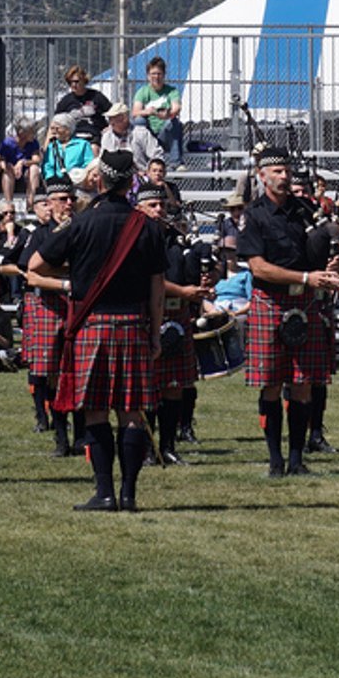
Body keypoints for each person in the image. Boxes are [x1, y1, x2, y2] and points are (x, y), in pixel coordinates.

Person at [31, 151, 166, 511]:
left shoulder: (80, 224)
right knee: (131, 412)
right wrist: (154, 334)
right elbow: (157, 290)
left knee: (93, 409)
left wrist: (71, 284)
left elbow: (34, 266)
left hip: (93, 325)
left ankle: (104, 493)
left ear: (99, 181)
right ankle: (130, 495)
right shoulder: (148, 226)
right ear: (130, 183)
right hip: (135, 324)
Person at [238, 144, 339, 478]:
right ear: (263, 176)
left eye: (286, 171)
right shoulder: (253, 215)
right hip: (271, 301)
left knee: (302, 383)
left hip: (306, 301)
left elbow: (328, 247)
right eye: (277, 172)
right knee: (270, 383)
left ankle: (297, 459)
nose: (284, 177)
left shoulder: (305, 210)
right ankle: (275, 460)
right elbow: (258, 268)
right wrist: (306, 276)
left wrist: (335, 262)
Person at [143, 181, 204, 467]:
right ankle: (147, 448)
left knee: (174, 385)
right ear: (139, 208)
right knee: (149, 385)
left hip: (178, 315)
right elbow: (149, 279)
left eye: (162, 205)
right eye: (152, 205)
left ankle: (168, 446)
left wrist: (205, 278)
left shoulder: (176, 240)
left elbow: (189, 275)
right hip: (149, 314)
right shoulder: (136, 239)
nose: (159, 210)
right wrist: (184, 292)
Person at [18, 177, 79, 456]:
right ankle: (61, 437)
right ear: (50, 203)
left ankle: (82, 436)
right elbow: (31, 274)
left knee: (78, 372)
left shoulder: (81, 230)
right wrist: (65, 276)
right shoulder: (41, 235)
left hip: (76, 306)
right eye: (63, 199)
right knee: (52, 374)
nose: (69, 204)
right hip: (48, 307)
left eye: (71, 199)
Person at [133, 56, 185, 166]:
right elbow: (135, 112)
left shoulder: (172, 91)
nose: (156, 77)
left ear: (164, 75)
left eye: (159, 74)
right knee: (139, 121)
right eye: (153, 74)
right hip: (148, 135)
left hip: (165, 134)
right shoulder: (142, 92)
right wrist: (148, 112)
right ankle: (141, 165)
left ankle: (176, 163)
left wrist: (168, 114)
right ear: (148, 76)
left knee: (173, 122)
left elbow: (176, 107)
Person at [54, 65, 114, 138]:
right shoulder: (66, 101)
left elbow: (113, 113)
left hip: (94, 135)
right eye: (70, 82)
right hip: (73, 137)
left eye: (76, 82)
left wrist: (110, 127)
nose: (73, 85)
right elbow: (55, 122)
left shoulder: (97, 96)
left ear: (84, 80)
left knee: (93, 148)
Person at [0, 119, 42, 208]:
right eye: (32, 131)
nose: (34, 133)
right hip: (10, 175)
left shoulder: (33, 143)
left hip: (26, 174)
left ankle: (30, 204)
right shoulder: (7, 143)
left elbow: (36, 160)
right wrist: (7, 166)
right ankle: (9, 204)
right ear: (22, 133)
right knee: (7, 171)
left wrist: (22, 162)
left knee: (34, 168)